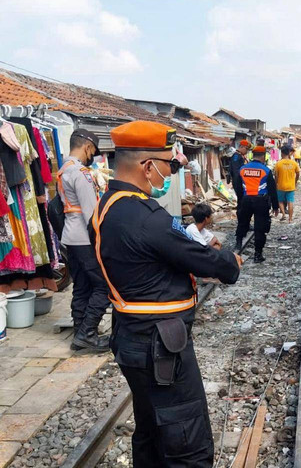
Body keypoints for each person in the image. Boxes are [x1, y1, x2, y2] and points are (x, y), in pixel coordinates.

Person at [90, 120, 242, 467]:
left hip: (131, 336)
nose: (171, 173)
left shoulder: (108, 205)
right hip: (160, 346)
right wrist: (230, 263)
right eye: (170, 165)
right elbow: (198, 255)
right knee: (186, 438)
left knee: (151, 429)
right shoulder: (146, 216)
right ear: (148, 165)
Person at [58, 129, 111, 352]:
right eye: (92, 152)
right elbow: (92, 214)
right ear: (87, 147)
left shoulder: (63, 170)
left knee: (81, 285)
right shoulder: (81, 173)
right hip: (84, 238)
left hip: (70, 237)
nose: (92, 157)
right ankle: (87, 333)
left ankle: (81, 331)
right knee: (103, 286)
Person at [234, 145, 279, 262]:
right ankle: (257, 255)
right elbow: (272, 189)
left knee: (242, 223)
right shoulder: (266, 170)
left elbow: (238, 187)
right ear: (263, 156)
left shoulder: (243, 169)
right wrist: (275, 206)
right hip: (261, 201)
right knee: (260, 228)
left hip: (246, 200)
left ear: (252, 156)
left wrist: (240, 201)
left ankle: (238, 244)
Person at [274, 145, 300, 223]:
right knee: (290, 202)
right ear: (289, 153)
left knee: (280, 201)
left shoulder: (278, 163)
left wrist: (276, 184)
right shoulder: (294, 163)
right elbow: (298, 173)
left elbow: (276, 176)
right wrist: (295, 181)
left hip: (280, 186)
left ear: (281, 153)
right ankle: (290, 219)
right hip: (291, 186)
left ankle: (284, 214)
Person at [230, 139, 250, 210]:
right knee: (241, 200)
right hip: (238, 181)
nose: (247, 151)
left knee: (243, 200)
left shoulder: (241, 156)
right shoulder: (236, 156)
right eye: (246, 149)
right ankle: (240, 215)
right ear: (242, 147)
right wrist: (239, 182)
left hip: (241, 181)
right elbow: (236, 171)